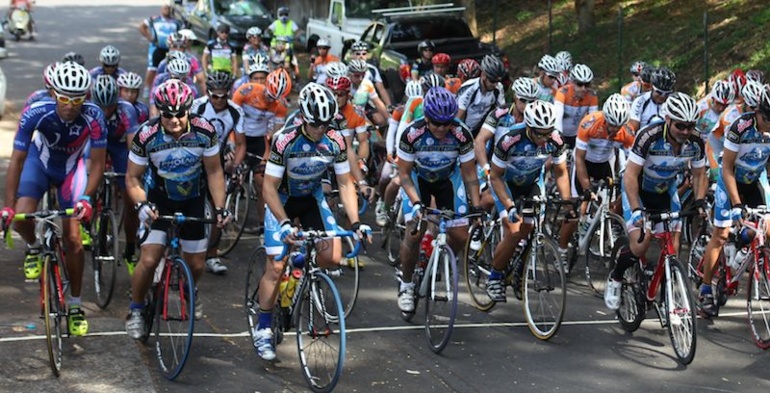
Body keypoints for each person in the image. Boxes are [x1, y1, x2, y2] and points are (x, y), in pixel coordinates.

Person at [251, 82, 371, 360]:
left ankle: (302, 265)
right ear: (304, 118)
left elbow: (344, 182)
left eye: (325, 124)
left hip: (311, 197)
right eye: (315, 124)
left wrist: (355, 223)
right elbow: (268, 187)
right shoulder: (285, 140)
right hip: (282, 198)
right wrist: (282, 223)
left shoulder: (336, 139)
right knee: (276, 264)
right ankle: (264, 327)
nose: (320, 130)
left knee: (332, 256)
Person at [1, 62, 106, 336]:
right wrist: (8, 206)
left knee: (73, 239)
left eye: (77, 99)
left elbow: (96, 164)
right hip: (40, 165)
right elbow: (17, 161)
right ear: (53, 94)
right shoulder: (37, 111)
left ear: (86, 97)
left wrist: (85, 199)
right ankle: (35, 247)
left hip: (72, 170)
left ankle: (75, 304)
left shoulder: (94, 116)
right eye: (63, 98)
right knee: (21, 217)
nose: (70, 105)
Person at [124, 79, 230, 339]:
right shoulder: (146, 135)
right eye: (167, 114)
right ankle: (136, 309)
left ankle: (188, 288)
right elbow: (132, 178)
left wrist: (220, 208)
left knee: (196, 263)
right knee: (149, 259)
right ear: (159, 111)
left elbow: (215, 171)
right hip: (159, 199)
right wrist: (141, 205)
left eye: (179, 114)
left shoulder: (204, 131)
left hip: (192, 197)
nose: (173, 120)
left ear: (189, 110)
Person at [604, 92, 707, 310]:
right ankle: (616, 276)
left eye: (690, 126)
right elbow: (630, 175)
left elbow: (699, 174)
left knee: (673, 247)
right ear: (668, 119)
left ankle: (666, 296)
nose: (686, 132)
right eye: (681, 126)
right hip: (639, 189)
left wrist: (698, 201)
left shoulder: (696, 141)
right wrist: (635, 209)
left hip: (665, 191)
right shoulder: (648, 136)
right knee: (641, 245)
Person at [395, 87, 481, 313]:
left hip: (447, 180)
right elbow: (404, 174)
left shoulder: (462, 133)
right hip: (418, 179)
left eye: (447, 123)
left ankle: (435, 257)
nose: (442, 128)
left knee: (461, 234)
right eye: (436, 123)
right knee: (415, 230)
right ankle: (406, 284)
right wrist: (415, 203)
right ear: (426, 118)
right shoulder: (412, 134)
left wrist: (477, 206)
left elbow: (470, 173)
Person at [484, 101, 570, 302]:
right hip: (506, 184)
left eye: (547, 132)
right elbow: (495, 176)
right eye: (539, 133)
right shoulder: (509, 139)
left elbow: (561, 172)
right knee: (514, 231)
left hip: (531, 182)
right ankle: (495, 276)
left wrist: (567, 203)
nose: (543, 138)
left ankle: (519, 268)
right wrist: (509, 205)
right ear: (528, 126)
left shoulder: (555, 140)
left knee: (531, 227)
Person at [697, 86, 770, 317]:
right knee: (720, 234)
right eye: (767, 118)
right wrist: (737, 204)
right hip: (730, 181)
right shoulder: (740, 127)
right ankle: (706, 288)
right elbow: (726, 168)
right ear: (757, 112)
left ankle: (742, 245)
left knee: (766, 228)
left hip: (754, 180)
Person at [557, 94, 634, 268]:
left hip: (604, 164)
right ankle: (561, 251)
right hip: (584, 163)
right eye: (612, 124)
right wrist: (586, 187)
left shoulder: (627, 132)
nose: (614, 129)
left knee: (608, 207)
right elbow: (579, 158)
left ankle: (605, 239)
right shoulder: (589, 123)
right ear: (605, 118)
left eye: (618, 125)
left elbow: (631, 164)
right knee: (575, 210)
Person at [190, 71, 246, 274]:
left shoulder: (236, 111)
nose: (220, 100)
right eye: (215, 96)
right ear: (208, 93)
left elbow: (241, 145)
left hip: (217, 161)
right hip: (195, 160)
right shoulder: (197, 107)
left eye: (224, 96)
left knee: (217, 210)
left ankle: (212, 255)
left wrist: (236, 166)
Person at [90, 75, 142, 273]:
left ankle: (129, 248)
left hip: (120, 146)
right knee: (89, 177)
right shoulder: (89, 110)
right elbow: (85, 145)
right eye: (100, 106)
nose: (104, 111)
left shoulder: (127, 110)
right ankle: (89, 217)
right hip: (96, 144)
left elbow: (132, 146)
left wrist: (132, 175)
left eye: (109, 106)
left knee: (131, 197)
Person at [232, 69, 291, 233]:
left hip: (259, 141)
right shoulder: (247, 90)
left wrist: (272, 157)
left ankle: (261, 223)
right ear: (266, 85)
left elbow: (277, 136)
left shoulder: (280, 106)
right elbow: (231, 117)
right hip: (239, 136)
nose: (271, 99)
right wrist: (231, 143)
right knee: (229, 166)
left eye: (276, 97)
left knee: (262, 185)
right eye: (270, 95)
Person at [473, 77, 539, 213]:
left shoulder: (536, 119)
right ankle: (478, 225)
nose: (527, 105)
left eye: (531, 101)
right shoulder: (499, 114)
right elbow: (480, 141)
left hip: (518, 169)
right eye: (523, 100)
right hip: (494, 165)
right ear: (515, 96)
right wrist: (485, 167)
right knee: (488, 200)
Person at [706, 81, 763, 177]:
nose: (756, 112)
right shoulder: (730, 117)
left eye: (759, 109)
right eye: (752, 108)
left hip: (740, 142)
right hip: (717, 144)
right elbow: (732, 148)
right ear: (745, 103)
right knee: (720, 174)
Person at [138, 2, 182, 99]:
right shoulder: (154, 19)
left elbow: (182, 34)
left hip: (171, 49)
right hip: (156, 48)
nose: (167, 9)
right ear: (161, 8)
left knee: (172, 68)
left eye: (168, 8)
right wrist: (150, 38)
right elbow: (141, 27)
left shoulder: (176, 22)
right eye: (165, 8)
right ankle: (147, 88)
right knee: (152, 68)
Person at [456, 54, 507, 137]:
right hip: (464, 129)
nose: (495, 85)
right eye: (492, 81)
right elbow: (458, 117)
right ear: (483, 75)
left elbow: (502, 111)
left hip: (481, 129)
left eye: (497, 81)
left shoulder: (498, 87)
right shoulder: (469, 88)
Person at [553, 64, 599, 149]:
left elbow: (593, 120)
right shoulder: (562, 92)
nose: (583, 88)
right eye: (579, 84)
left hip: (577, 135)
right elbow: (557, 117)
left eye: (587, 85)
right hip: (560, 133)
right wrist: (557, 135)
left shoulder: (592, 95)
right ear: (572, 83)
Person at [628, 67, 676, 133]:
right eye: (659, 92)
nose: (663, 96)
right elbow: (633, 130)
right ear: (652, 87)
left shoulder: (674, 103)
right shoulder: (640, 101)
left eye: (667, 93)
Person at [349, 41, 392, 107]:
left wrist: (389, 105)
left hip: (368, 102)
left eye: (364, 54)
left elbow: (382, 90)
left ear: (367, 55)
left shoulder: (372, 69)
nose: (361, 56)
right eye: (358, 54)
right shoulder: (347, 69)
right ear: (352, 55)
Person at [348, 59, 389, 128]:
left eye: (363, 75)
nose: (361, 78)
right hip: (346, 118)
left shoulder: (367, 84)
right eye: (357, 76)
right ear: (350, 74)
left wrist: (389, 120)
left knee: (377, 127)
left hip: (361, 116)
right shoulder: (345, 84)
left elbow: (378, 103)